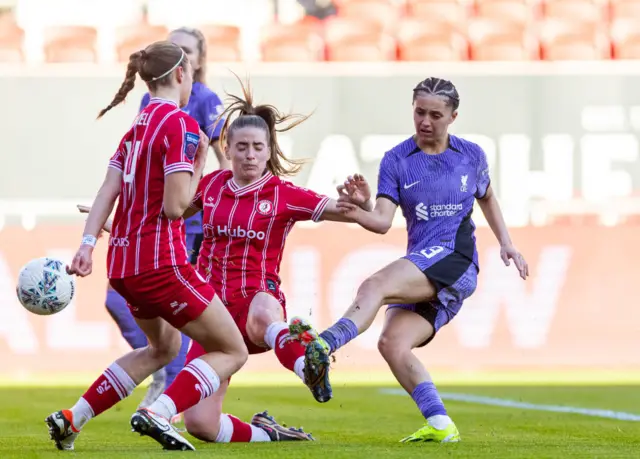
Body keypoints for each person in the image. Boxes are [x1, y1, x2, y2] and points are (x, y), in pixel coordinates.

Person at [91, 75, 357, 442]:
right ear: (227, 148)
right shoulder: (213, 185)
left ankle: (308, 365)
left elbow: (372, 220)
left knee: (265, 313)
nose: (250, 154)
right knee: (202, 425)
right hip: (212, 310)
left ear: (269, 150)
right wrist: (116, 219)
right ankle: (273, 435)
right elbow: (167, 213)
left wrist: (361, 202)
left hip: (256, 303)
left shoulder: (284, 194)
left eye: (258, 147)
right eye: (242, 146)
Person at [289, 77, 530, 443]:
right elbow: (382, 222)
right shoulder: (397, 160)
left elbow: (488, 197)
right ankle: (440, 424)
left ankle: (323, 345)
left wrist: (507, 243)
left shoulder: (471, 156)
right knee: (392, 343)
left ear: (453, 117)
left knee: (374, 285)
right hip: (425, 261)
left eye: (436, 114)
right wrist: (360, 207)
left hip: (456, 258)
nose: (426, 121)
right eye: (420, 112)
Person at [45, 41, 249, 452]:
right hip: (161, 264)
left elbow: (108, 190)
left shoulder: (136, 128)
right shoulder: (181, 127)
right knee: (232, 349)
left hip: (122, 265)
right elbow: (175, 208)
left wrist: (87, 243)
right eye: (190, 73)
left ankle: (72, 419)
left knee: (162, 348)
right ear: (179, 74)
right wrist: (199, 167)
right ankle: (159, 411)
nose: (191, 81)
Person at [103, 26, 229, 411]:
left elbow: (226, 162)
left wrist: (216, 209)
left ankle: (170, 384)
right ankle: (163, 366)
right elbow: (141, 168)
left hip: (188, 230)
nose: (182, 57)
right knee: (117, 301)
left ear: (198, 61)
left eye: (187, 51)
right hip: (150, 227)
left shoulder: (206, 102)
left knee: (183, 317)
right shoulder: (150, 102)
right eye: (175, 50)